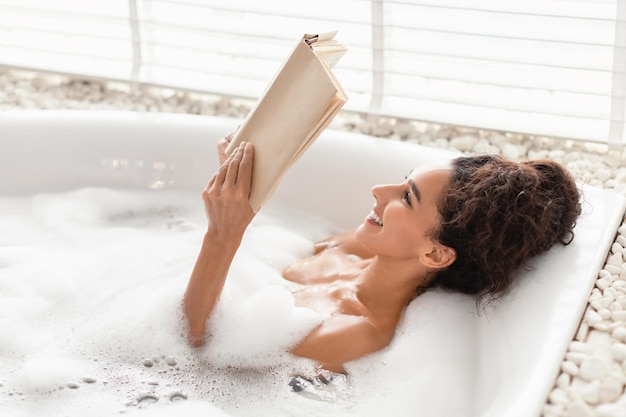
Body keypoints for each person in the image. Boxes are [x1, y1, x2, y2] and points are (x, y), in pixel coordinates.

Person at [183, 134, 582, 374]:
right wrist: (240, 184)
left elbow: (199, 346)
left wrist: (222, 235)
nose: (379, 189)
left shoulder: (360, 331)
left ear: (435, 254)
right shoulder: (356, 246)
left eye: (406, 197)